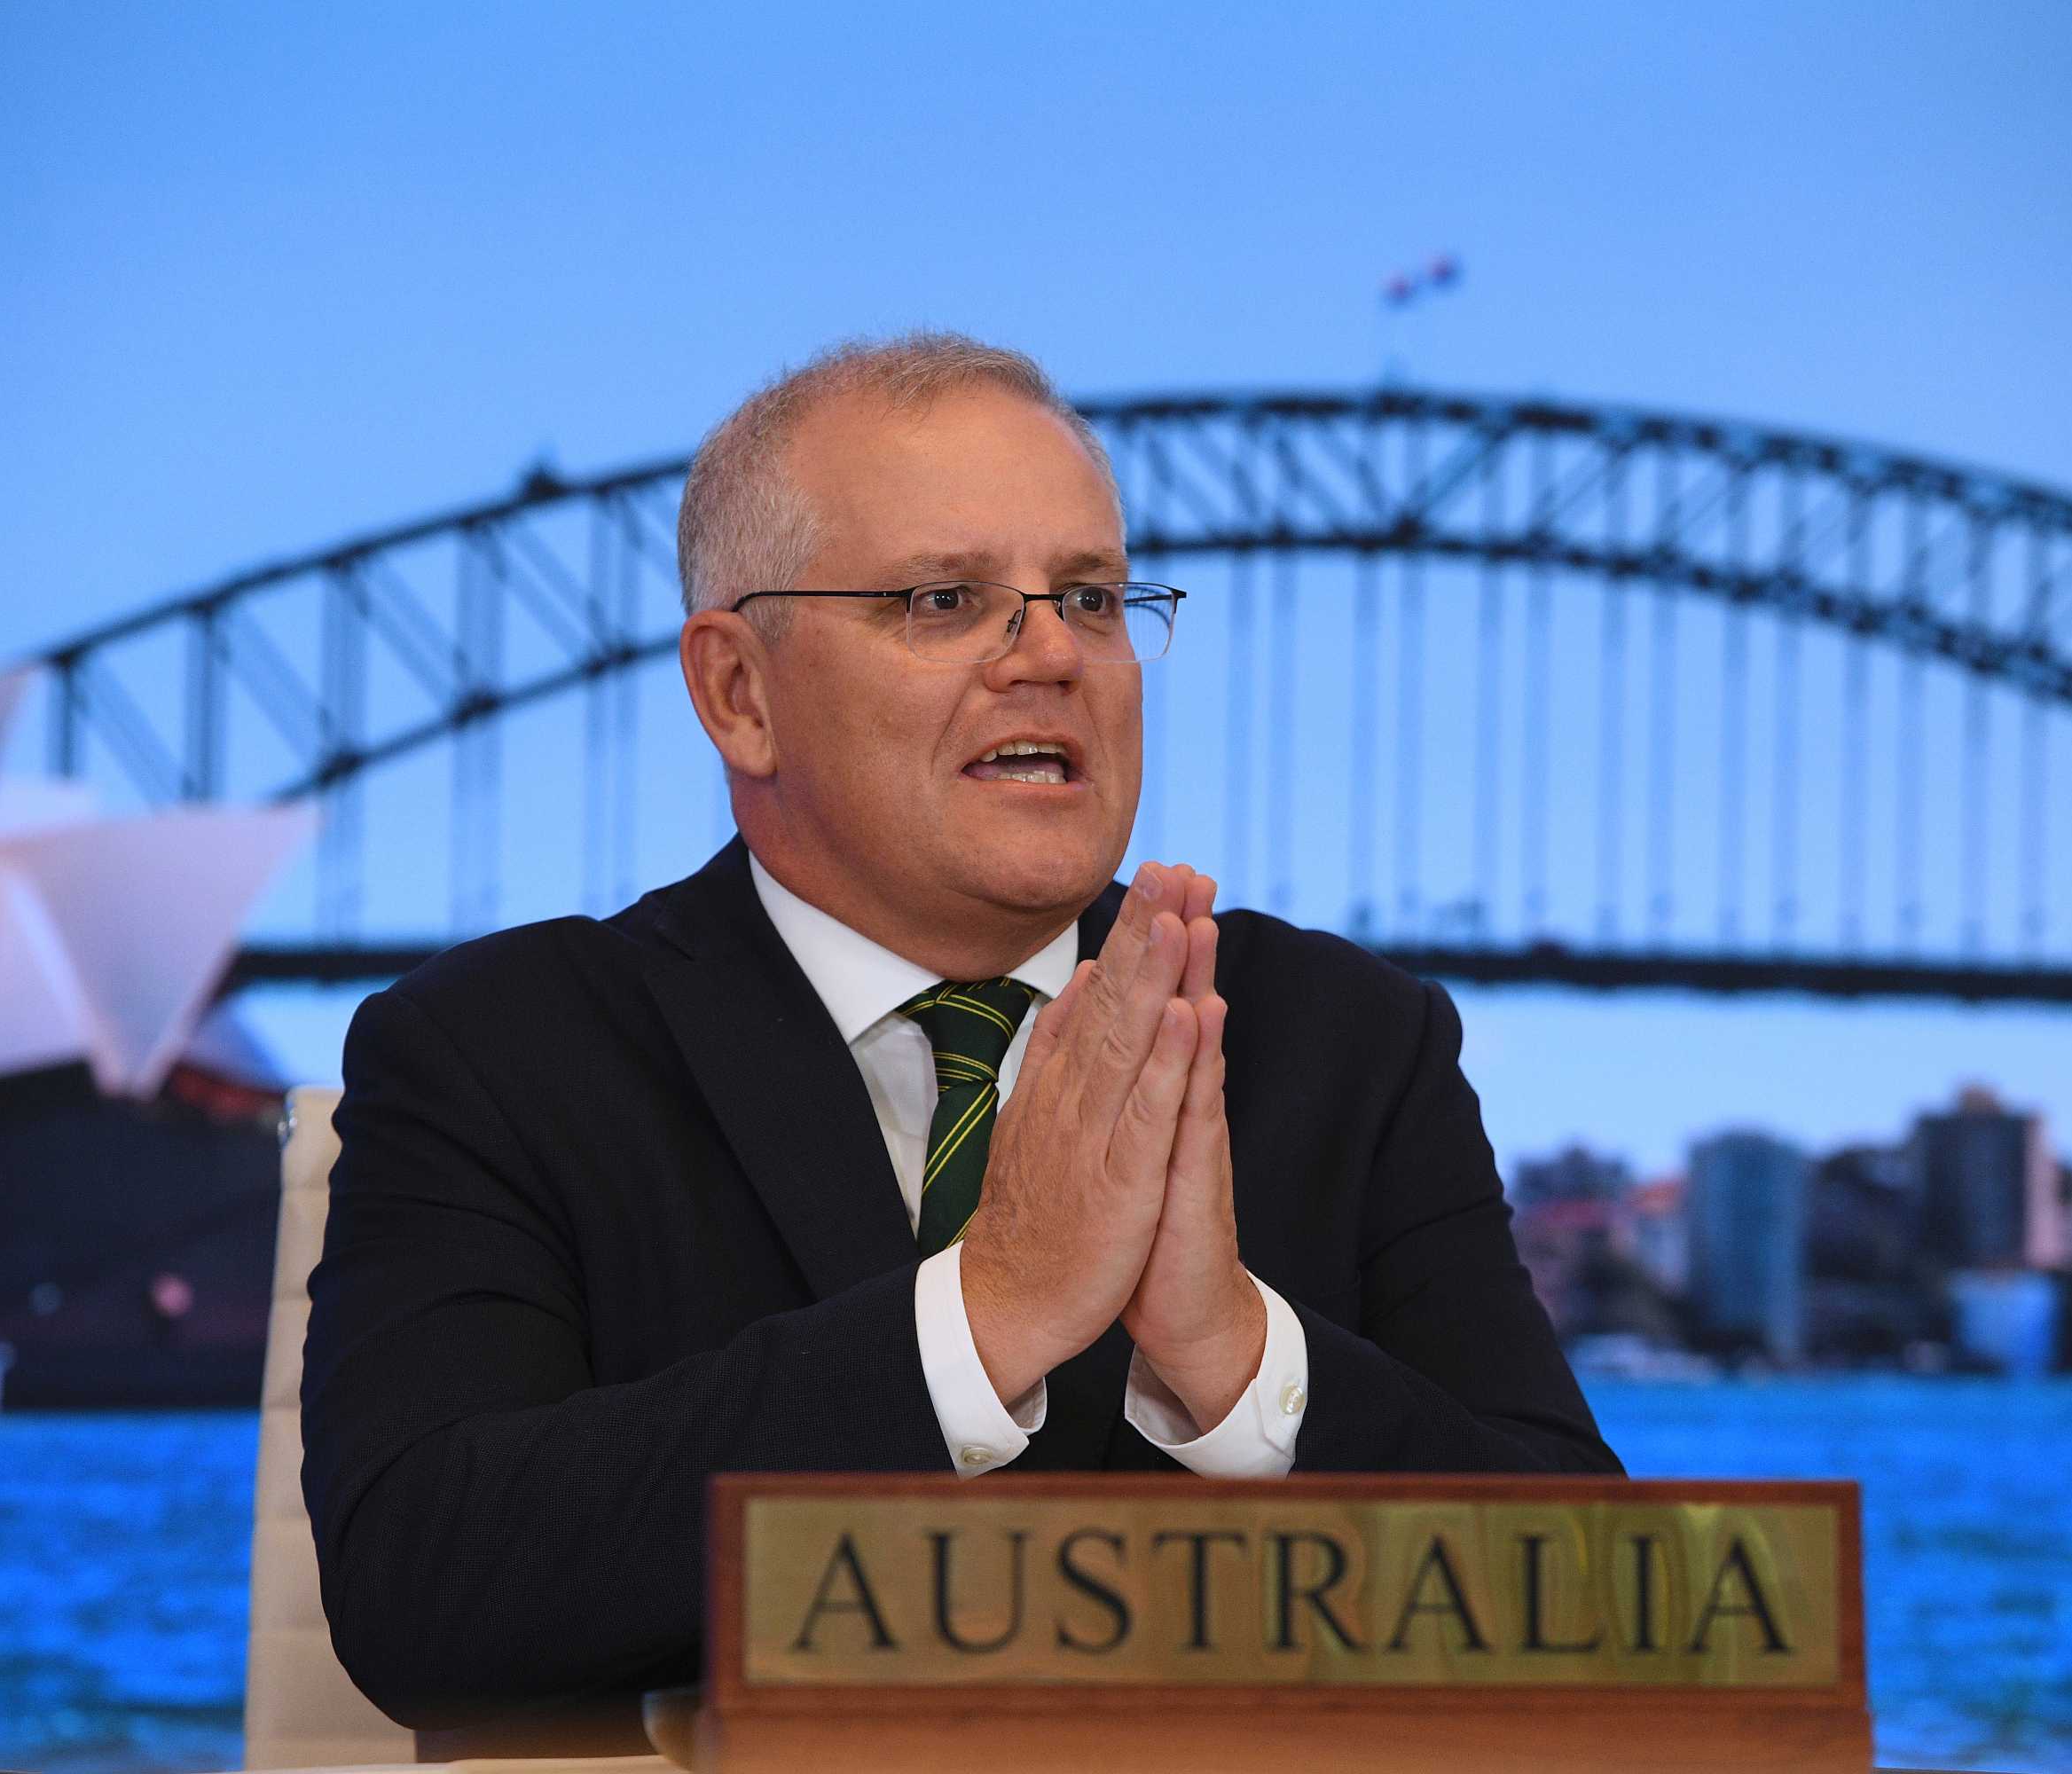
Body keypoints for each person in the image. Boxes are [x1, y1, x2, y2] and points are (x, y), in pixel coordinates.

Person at [301, 333, 1621, 1754]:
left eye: (1094, 599)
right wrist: (983, 1318)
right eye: (946, 600)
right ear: (739, 693)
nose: (1051, 653)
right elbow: (421, 1595)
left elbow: (1609, 1617)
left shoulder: (1348, 1042)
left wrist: (1241, 1369)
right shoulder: (499, 1049)